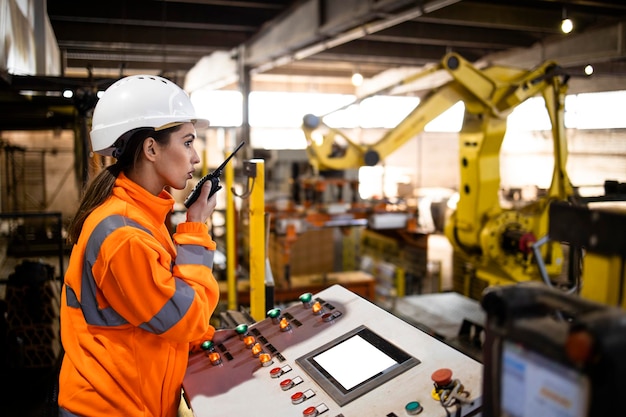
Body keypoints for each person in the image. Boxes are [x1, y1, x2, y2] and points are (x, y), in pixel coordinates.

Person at [58, 74, 231, 417]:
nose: (195, 158)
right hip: (109, 408)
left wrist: (205, 340)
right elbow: (186, 319)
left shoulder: (139, 215)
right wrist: (195, 229)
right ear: (151, 148)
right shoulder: (124, 235)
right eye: (187, 142)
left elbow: (152, 309)